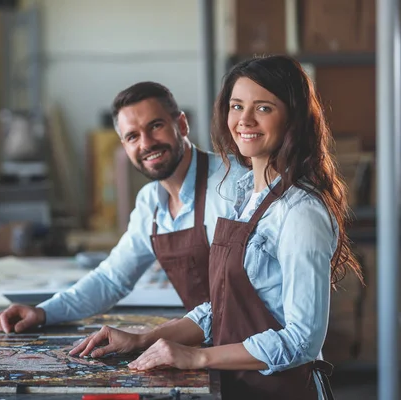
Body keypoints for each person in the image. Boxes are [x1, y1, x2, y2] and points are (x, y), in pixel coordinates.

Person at [69, 55, 364, 400]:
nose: (245, 120)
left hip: (282, 391)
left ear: (293, 117)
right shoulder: (244, 196)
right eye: (237, 106)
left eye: (264, 108)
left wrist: (197, 355)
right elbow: (219, 309)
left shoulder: (300, 211)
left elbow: (302, 340)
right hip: (238, 385)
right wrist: (143, 339)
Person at [0, 82, 248, 333]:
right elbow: (111, 279)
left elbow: (259, 293)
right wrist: (43, 312)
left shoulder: (235, 183)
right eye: (132, 136)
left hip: (257, 346)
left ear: (181, 125)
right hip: (209, 342)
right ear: (124, 146)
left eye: (156, 126)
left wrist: (154, 337)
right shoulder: (150, 203)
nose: (146, 144)